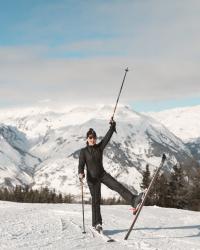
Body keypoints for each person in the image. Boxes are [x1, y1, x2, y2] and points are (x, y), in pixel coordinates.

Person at [78, 119, 143, 232]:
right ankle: (97, 223)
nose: (92, 139)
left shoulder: (99, 147)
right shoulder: (83, 152)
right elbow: (81, 165)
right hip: (92, 179)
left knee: (117, 185)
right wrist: (81, 173)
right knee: (96, 201)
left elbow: (107, 137)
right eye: (90, 138)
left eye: (94, 137)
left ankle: (133, 200)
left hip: (102, 174)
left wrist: (112, 126)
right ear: (87, 139)